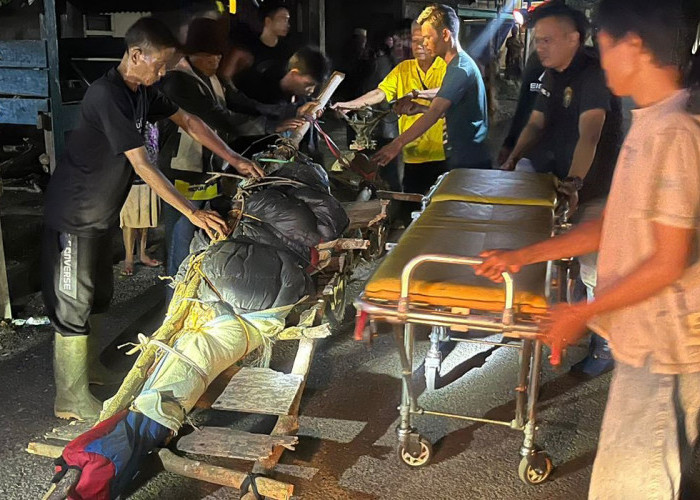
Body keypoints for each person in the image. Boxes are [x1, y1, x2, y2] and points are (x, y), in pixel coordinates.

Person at [474, 0, 700, 496]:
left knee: (632, 487)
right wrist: (524, 255)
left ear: (634, 48)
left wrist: (585, 311)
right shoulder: (649, 123)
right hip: (644, 341)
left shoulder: (676, 134)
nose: (603, 57)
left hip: (667, 349)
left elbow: (668, 259)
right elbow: (611, 225)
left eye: (606, 44)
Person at [41, 17, 263, 421]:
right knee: (73, 302)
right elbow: (143, 165)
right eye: (159, 65)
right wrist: (192, 211)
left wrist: (234, 158)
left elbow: (190, 121)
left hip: (100, 215)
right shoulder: (107, 96)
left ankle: (89, 371)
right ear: (135, 54)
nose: (163, 73)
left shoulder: (141, 91)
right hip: (73, 216)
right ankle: (69, 397)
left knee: (98, 295)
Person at [500, 1, 624, 377]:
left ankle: (604, 346)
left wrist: (574, 183)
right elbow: (536, 123)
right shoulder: (551, 73)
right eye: (537, 40)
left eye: (548, 40)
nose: (540, 47)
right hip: (552, 176)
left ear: (575, 38)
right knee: (546, 249)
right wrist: (512, 159)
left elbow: (591, 133)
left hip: (592, 183)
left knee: (592, 267)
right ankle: (551, 314)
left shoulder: (593, 76)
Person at [158, 17, 304, 289]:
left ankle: (202, 293)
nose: (217, 60)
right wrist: (272, 125)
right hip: (182, 173)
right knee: (182, 242)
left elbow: (243, 103)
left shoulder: (212, 77)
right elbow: (220, 118)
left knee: (206, 238)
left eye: (219, 54)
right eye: (211, 55)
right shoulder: (178, 83)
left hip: (209, 171)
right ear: (194, 54)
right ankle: (173, 303)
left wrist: (287, 113)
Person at [333, 22, 448, 194]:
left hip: (444, 155)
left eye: (422, 40)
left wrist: (417, 98)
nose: (417, 46)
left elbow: (448, 102)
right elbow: (380, 93)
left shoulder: (447, 69)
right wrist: (350, 105)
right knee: (411, 204)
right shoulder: (403, 69)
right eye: (413, 41)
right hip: (413, 155)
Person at [372, 4, 490, 171]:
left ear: (445, 34)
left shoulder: (459, 69)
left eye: (427, 37)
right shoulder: (456, 64)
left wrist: (396, 144)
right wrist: (419, 106)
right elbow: (445, 104)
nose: (423, 43)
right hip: (464, 154)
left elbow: (435, 112)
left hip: (469, 159)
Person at [120, 122, 162, 276]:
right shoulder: (129, 109)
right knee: (129, 219)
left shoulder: (151, 110)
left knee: (145, 218)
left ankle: (142, 253)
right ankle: (129, 258)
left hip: (150, 168)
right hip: (130, 171)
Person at [233, 1, 293, 98]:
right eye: (282, 19)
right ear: (268, 21)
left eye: (287, 20)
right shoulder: (249, 49)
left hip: (280, 107)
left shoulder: (286, 51)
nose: (287, 24)